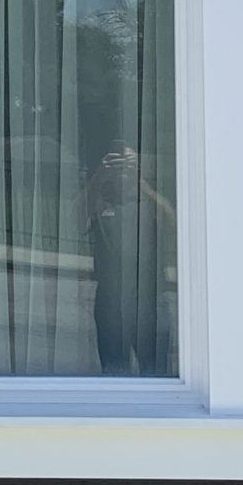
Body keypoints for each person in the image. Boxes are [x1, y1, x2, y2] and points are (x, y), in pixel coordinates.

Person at [82, 144, 174, 377]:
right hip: (109, 300)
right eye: (116, 164)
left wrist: (140, 183)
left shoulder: (148, 200)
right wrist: (99, 178)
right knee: (113, 370)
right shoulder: (100, 198)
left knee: (155, 371)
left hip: (150, 298)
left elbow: (173, 224)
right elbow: (76, 221)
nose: (121, 169)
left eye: (128, 164)